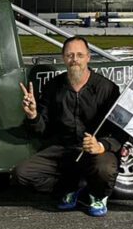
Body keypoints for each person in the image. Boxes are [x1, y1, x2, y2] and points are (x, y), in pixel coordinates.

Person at [13, 36, 121, 217]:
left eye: (80, 55)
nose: (74, 60)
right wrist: (33, 115)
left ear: (88, 57)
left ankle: (97, 195)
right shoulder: (53, 86)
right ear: (63, 58)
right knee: (22, 174)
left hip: (95, 150)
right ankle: (72, 189)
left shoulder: (107, 88)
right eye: (70, 55)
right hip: (63, 149)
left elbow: (121, 130)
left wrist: (102, 145)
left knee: (106, 169)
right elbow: (42, 129)